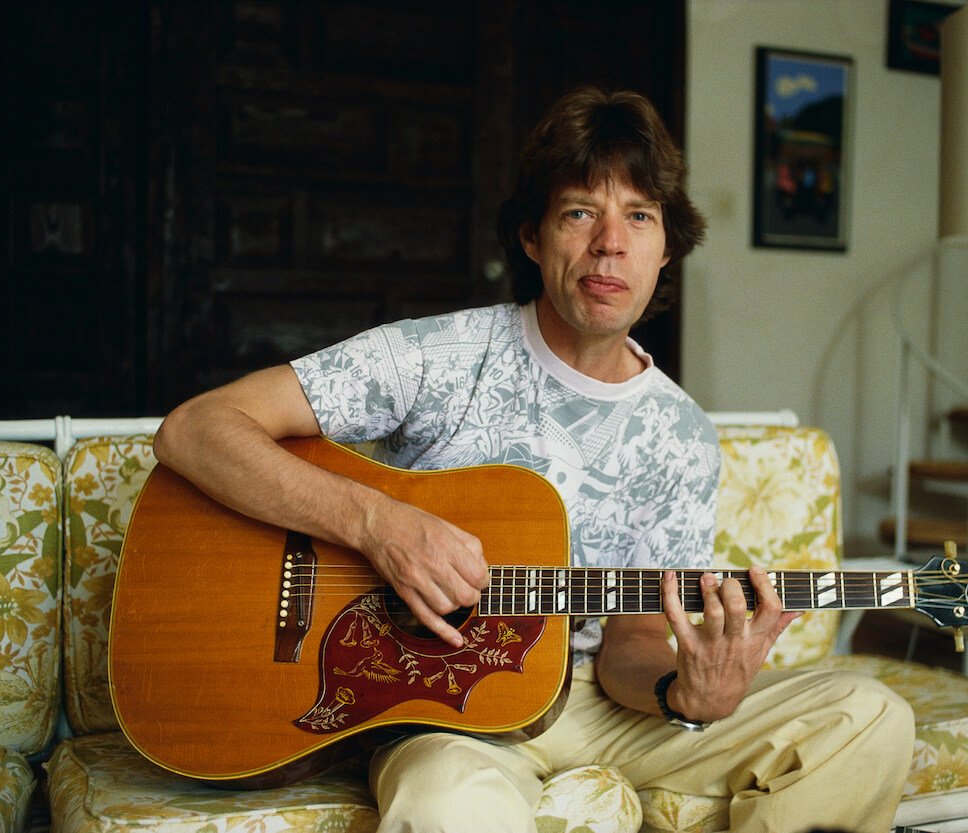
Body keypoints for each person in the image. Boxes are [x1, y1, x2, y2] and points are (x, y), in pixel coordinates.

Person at [154, 86, 913, 833]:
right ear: (532, 235)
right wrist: (376, 522)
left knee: (867, 716)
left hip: (603, 706)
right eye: (581, 211)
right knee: (454, 803)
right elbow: (196, 428)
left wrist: (688, 689)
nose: (609, 242)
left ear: (665, 248)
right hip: (446, 712)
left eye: (639, 216)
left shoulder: (680, 434)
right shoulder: (439, 356)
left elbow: (632, 645)